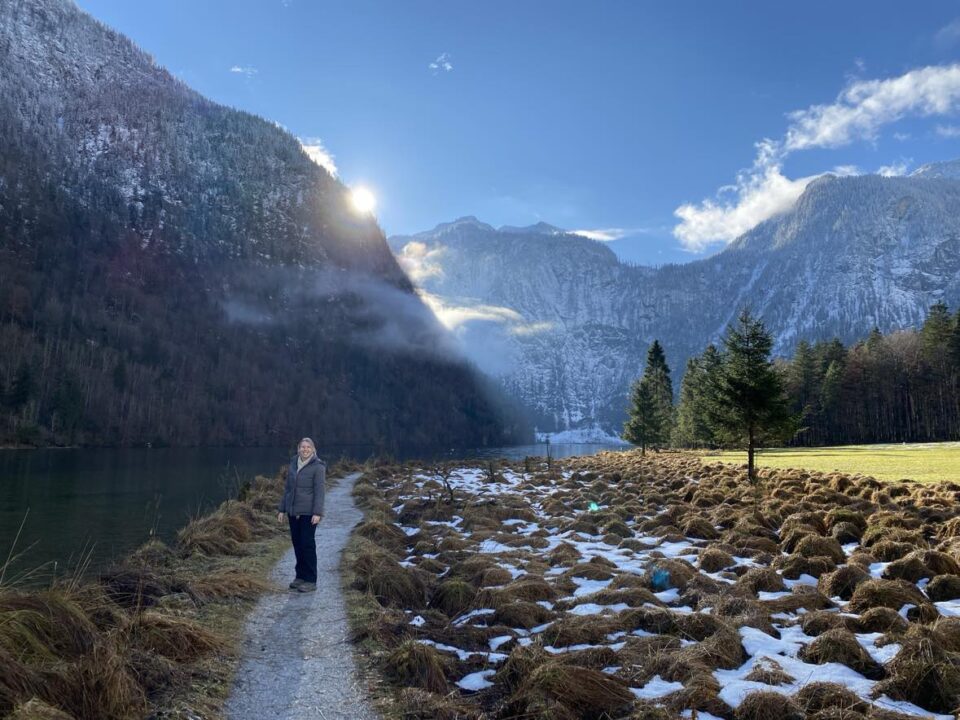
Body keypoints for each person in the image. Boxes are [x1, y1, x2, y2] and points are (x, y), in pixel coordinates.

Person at [277, 437, 325, 592]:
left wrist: (317, 513)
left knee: (307, 544)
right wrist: (282, 509)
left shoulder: (318, 467)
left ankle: (311, 580)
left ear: (313, 449)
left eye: (308, 447)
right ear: (298, 449)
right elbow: (288, 489)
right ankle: (300, 576)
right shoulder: (293, 463)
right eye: (302, 447)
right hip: (293, 512)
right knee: (297, 544)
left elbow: (320, 492)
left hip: (308, 513)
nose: (305, 449)